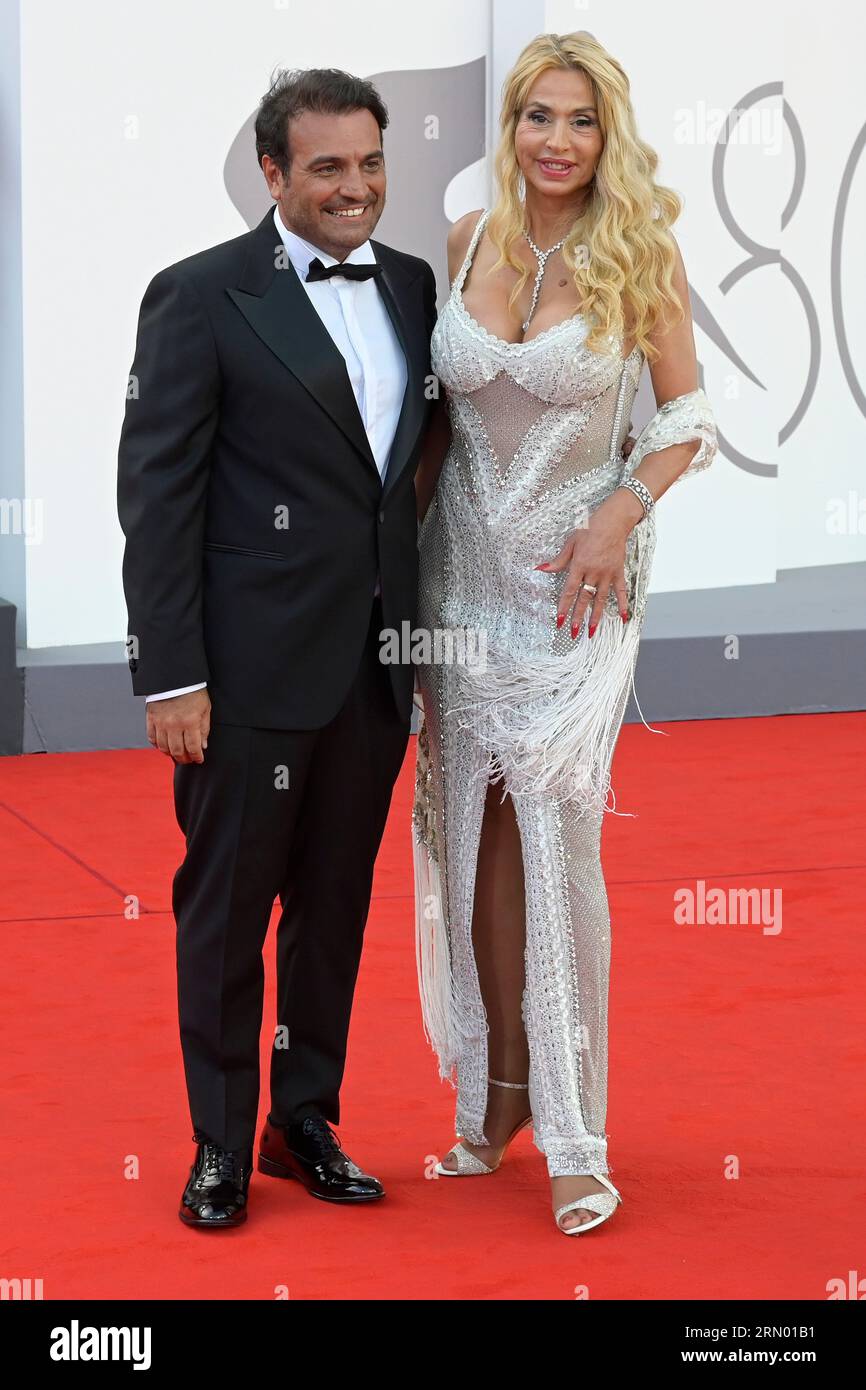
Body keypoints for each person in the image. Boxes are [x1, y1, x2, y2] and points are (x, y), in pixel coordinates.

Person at [117, 67, 437, 1227]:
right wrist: (172, 673)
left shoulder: (410, 286)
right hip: (243, 674)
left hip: (369, 665)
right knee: (226, 911)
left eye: (369, 164)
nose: (355, 189)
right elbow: (156, 498)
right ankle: (214, 1140)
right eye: (326, 169)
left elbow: (403, 475)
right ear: (272, 173)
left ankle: (301, 1119)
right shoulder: (198, 296)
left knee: (333, 907)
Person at [412, 31, 717, 1235]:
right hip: (454, 599)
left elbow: (686, 413)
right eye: (538, 116)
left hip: (571, 600)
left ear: (609, 136)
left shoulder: (640, 254)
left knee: (558, 854)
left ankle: (578, 1136)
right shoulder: (466, 242)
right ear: (511, 125)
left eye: (579, 122)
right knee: (471, 847)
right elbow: (435, 423)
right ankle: (493, 1105)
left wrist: (620, 509)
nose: (555, 140)